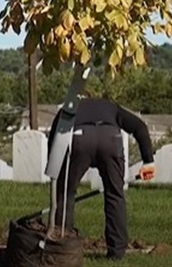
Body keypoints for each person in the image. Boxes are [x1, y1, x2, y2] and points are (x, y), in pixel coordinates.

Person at [47, 94, 155, 261]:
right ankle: (117, 252)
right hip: (110, 139)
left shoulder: (70, 108)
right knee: (115, 195)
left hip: (80, 138)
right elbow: (140, 127)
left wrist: (55, 172)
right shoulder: (111, 107)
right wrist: (148, 161)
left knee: (66, 194)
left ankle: (63, 247)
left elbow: (55, 138)